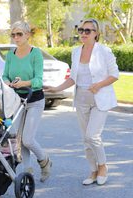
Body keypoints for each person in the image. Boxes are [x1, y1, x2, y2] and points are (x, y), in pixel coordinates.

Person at [44, 19, 119, 185]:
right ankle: (93, 171)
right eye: (81, 30)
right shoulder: (76, 52)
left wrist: (98, 85)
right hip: (81, 99)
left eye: (88, 31)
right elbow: (73, 78)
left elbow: (115, 74)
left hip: (100, 98)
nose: (84, 33)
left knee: (93, 135)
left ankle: (103, 166)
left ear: (96, 34)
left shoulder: (104, 51)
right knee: (86, 139)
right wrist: (56, 89)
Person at [2, 21, 52, 182]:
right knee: (19, 139)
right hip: (17, 100)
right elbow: (5, 75)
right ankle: (27, 172)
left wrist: (23, 83)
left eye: (19, 34)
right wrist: (7, 83)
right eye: (13, 34)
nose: (16, 37)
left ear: (28, 35)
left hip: (34, 98)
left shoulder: (35, 53)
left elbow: (38, 80)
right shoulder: (10, 54)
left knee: (28, 139)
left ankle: (45, 161)